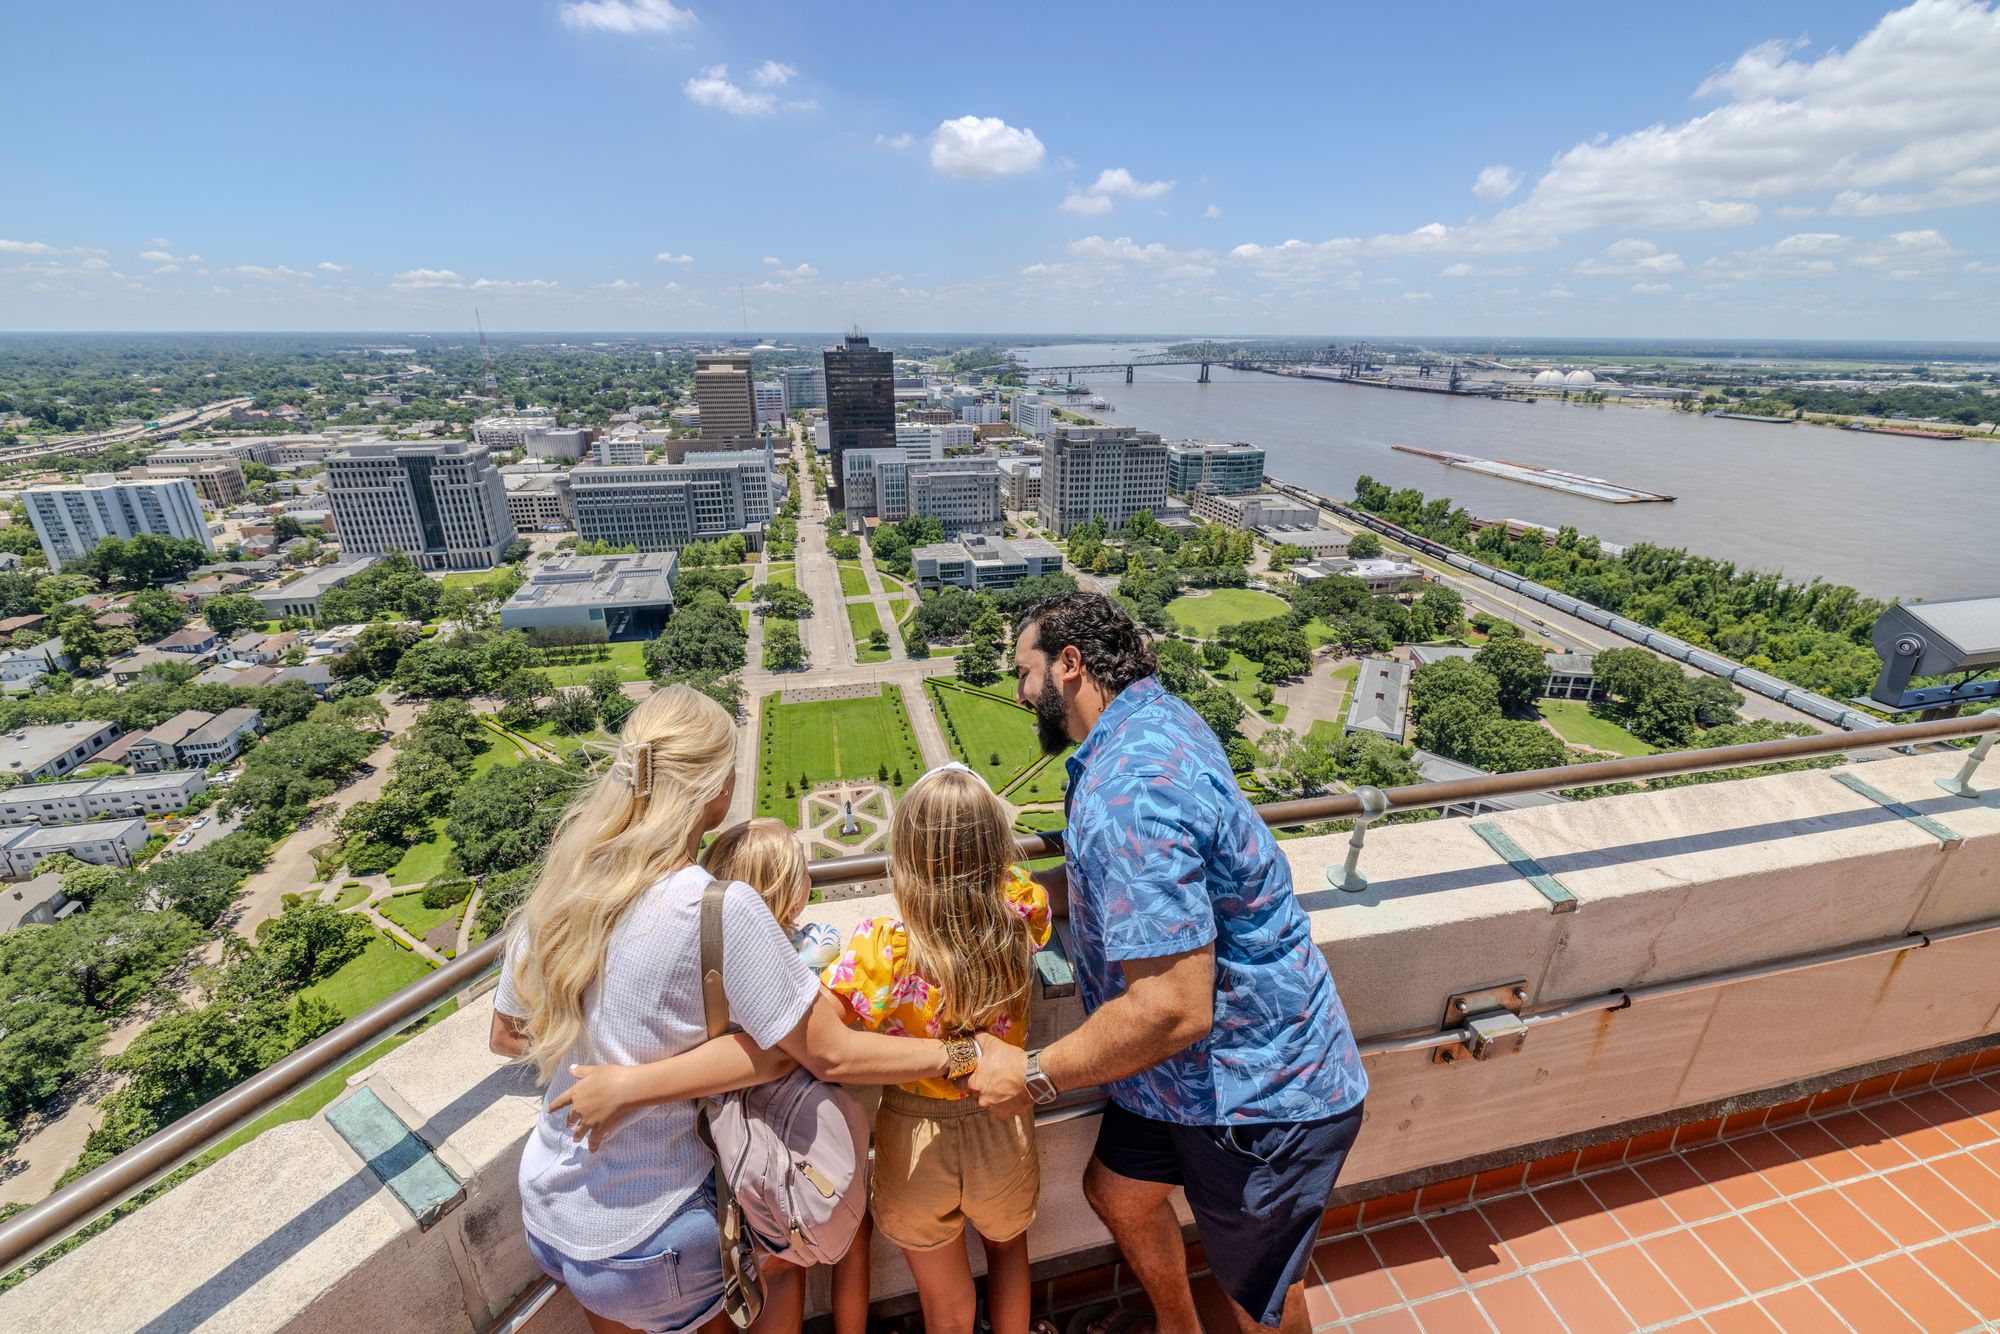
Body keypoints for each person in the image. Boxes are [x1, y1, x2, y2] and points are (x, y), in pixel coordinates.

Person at [490, 686, 988, 1334]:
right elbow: (828, 1052)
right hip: (651, 1230)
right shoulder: (717, 908)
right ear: (718, 790)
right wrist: (963, 1052)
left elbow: (508, 1034)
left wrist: (620, 1057)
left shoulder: (566, 881)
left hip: (552, 1213)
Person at [969, 592, 1369, 1334]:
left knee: (1261, 1297)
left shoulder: (1129, 790)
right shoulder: (1156, 721)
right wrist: (1014, 903)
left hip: (1257, 1091)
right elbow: (1131, 884)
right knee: (1117, 1192)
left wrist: (1029, 1074)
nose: (1020, 692)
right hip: (1181, 1077)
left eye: (1023, 672)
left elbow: (1172, 1008)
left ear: (1070, 664)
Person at [821, 764, 1051, 1334]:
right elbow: (1029, 893)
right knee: (1008, 1254)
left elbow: (820, 1024)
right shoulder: (1021, 909)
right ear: (996, 846)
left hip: (914, 1133)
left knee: (944, 1311)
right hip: (1002, 1119)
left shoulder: (886, 945)